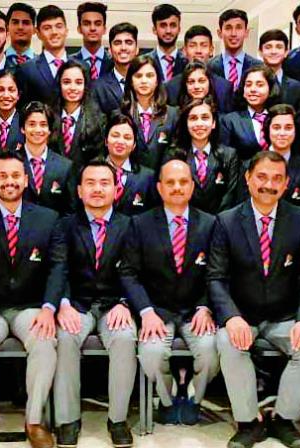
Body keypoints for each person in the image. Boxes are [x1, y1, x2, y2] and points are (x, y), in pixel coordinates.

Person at [209, 151, 300, 448]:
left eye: (277, 179)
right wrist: (232, 317)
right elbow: (216, 278)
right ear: (248, 179)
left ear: (286, 184)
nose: (268, 184)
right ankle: (248, 422)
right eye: (262, 176)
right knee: (227, 343)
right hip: (242, 314)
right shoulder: (227, 221)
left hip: (284, 316)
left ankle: (283, 419)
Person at [0, 152, 66, 448]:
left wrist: (48, 308)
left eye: (16, 176)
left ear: (26, 179)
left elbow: (57, 267)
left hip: (30, 307)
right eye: (2, 176)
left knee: (45, 343)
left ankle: (34, 423)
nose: (10, 182)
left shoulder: (48, 219)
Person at [119, 157, 219, 425]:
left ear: (192, 186)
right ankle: (166, 400)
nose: (177, 187)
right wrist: (146, 311)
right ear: (160, 188)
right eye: (170, 182)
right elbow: (128, 272)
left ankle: (192, 398)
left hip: (195, 311)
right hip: (157, 310)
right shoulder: (139, 224)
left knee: (211, 351)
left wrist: (206, 307)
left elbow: (218, 273)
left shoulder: (211, 224)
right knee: (150, 354)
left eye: (183, 182)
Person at [54, 159, 136, 448]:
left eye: (104, 183)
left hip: (115, 304)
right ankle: (68, 419)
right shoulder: (64, 225)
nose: (97, 189)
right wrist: (63, 304)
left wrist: (126, 304)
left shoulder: (130, 225)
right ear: (79, 190)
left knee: (125, 338)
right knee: (64, 337)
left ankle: (117, 419)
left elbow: (135, 272)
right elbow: (59, 269)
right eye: (90, 183)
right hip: (77, 304)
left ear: (115, 189)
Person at [171, 98, 240, 214]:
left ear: (213, 123)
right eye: (193, 118)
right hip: (184, 222)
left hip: (220, 223)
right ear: (186, 123)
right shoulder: (174, 155)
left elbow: (230, 195)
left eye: (205, 118)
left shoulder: (229, 155)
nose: (199, 124)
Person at [14, 101, 76, 216]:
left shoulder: (65, 166)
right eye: (32, 124)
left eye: (43, 125)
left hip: (54, 231)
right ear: (22, 128)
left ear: (49, 130)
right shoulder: (11, 162)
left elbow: (70, 211)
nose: (38, 130)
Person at [120, 55, 179, 170]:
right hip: (131, 180)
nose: (144, 81)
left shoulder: (172, 114)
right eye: (138, 76)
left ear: (157, 81)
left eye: (149, 76)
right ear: (131, 81)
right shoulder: (121, 114)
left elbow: (175, 152)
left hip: (163, 181)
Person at [49, 60, 107, 171]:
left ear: (85, 85)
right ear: (59, 84)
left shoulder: (100, 120)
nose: (72, 88)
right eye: (66, 82)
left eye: (78, 82)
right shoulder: (48, 117)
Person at [164, 26, 234, 113]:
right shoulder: (171, 87)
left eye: (204, 45)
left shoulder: (224, 87)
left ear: (211, 50)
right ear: (184, 50)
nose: (198, 51)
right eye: (192, 46)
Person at [219, 66, 281, 162]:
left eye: (259, 85)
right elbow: (225, 159)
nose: (253, 89)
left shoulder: (278, 117)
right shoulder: (230, 121)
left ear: (270, 89)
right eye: (248, 85)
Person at [263, 104, 300, 207]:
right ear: (267, 129)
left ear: (295, 131)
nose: (282, 133)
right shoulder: (250, 165)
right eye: (276, 127)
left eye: (288, 128)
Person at [103, 113, 158, 216]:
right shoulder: (91, 172)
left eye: (127, 137)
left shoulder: (147, 177)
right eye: (115, 136)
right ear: (106, 140)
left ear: (134, 145)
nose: (120, 141)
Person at [16, 5, 69, 107]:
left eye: (59, 26)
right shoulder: (26, 70)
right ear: (38, 33)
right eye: (47, 28)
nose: (54, 32)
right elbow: (21, 110)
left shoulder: (82, 67)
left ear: (66, 30)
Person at [207, 9, 263, 91]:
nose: (233, 33)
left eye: (239, 28)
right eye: (228, 28)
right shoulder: (209, 67)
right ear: (220, 33)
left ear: (246, 32)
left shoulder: (259, 67)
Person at [91, 22, 139, 116]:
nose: (123, 48)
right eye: (117, 43)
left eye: (129, 42)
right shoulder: (97, 87)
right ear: (110, 50)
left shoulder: (149, 82)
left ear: (137, 49)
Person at [258, 29, 300, 109]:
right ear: (260, 52)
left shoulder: (298, 87)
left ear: (286, 52)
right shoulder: (251, 84)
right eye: (268, 47)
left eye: (279, 47)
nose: (273, 51)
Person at [70, 2, 113, 82]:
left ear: (104, 29)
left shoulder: (115, 63)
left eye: (98, 24)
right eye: (86, 24)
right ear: (79, 29)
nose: (92, 28)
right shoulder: (68, 62)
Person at [147, 4, 187, 83]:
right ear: (154, 29)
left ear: (179, 29)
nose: (168, 31)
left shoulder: (188, 62)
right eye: (163, 25)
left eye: (173, 25)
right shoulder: (143, 63)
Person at [0, 69, 24, 152]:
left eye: (11, 90)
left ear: (18, 95)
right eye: (0, 90)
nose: (6, 95)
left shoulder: (25, 123)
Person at [5, 2, 37, 68]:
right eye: (15, 22)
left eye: (26, 23)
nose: (20, 27)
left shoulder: (43, 64)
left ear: (34, 29)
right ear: (7, 27)